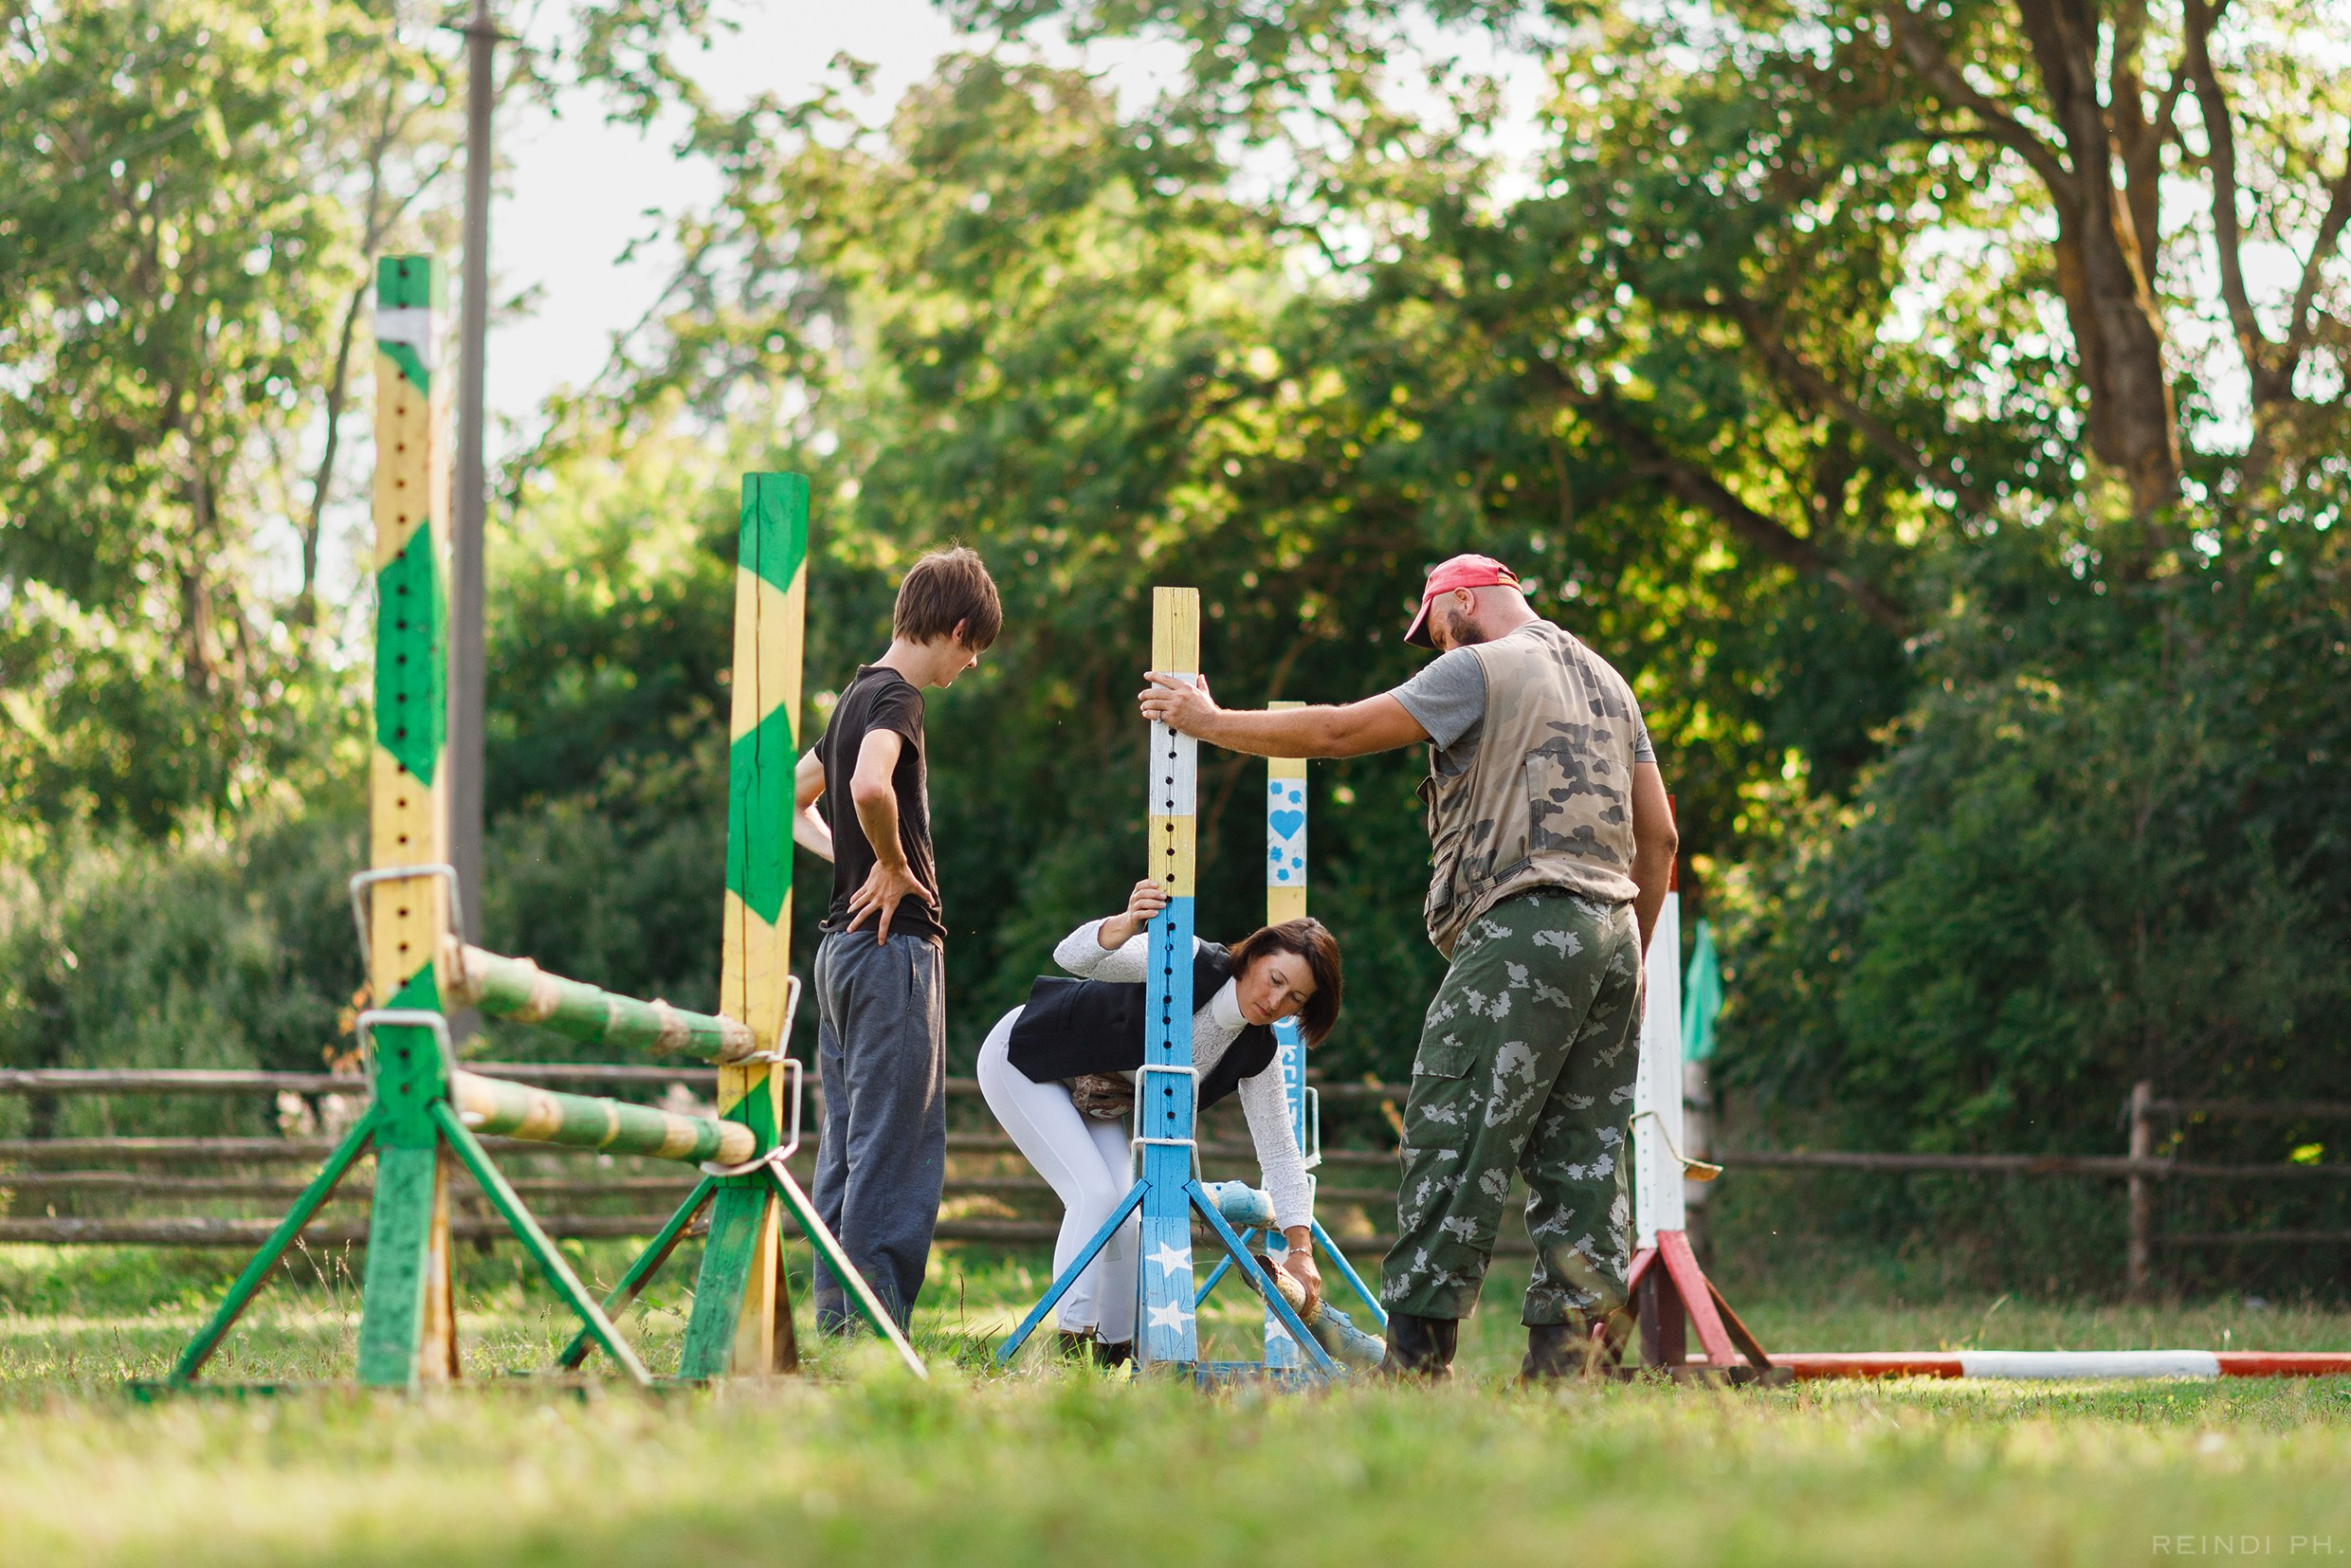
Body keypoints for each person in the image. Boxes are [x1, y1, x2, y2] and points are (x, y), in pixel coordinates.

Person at [1137, 554, 1677, 1381]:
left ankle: (1417, 1366)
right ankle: (1568, 1375)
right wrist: (1629, 958)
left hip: (1526, 922)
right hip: (1615, 934)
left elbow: (1339, 731)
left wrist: (1209, 720)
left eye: (1431, 628)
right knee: (1585, 1160)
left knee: (1454, 1128)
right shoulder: (1611, 683)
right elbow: (1661, 839)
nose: (1430, 648)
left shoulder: (1480, 667)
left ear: (1461, 601)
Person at [976, 878, 1343, 1364]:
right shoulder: (1185, 958)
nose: (1276, 1003)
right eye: (1276, 980)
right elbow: (1072, 957)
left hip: (1100, 1099)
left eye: (1296, 998)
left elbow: (1279, 1151)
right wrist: (1125, 925)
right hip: (1026, 1054)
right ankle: (1067, 1352)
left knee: (1126, 1213)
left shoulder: (1260, 1053)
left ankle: (1110, 1357)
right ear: (1255, 955)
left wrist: (1301, 1248)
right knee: (1096, 1194)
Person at [794, 546, 1002, 1333]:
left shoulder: (852, 698)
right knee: (898, 1146)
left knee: (847, 1143)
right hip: (893, 953)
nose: (971, 664)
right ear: (954, 629)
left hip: (840, 952)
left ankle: (839, 1328)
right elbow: (870, 786)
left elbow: (793, 797)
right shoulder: (899, 702)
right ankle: (876, 1333)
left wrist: (857, 860)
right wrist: (891, 864)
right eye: (973, 649)